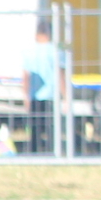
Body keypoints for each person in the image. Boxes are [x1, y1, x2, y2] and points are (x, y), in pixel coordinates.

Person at [21, 16, 65, 151]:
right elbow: (60, 75)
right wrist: (66, 95)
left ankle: (34, 153)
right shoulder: (56, 51)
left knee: (35, 128)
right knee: (52, 127)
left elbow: (26, 77)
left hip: (35, 95)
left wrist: (26, 95)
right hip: (52, 95)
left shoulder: (29, 52)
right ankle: (53, 151)